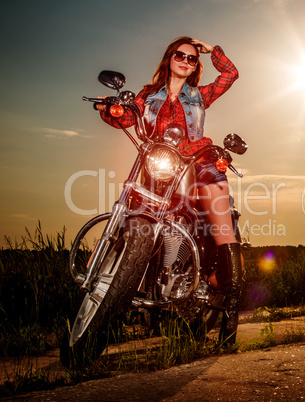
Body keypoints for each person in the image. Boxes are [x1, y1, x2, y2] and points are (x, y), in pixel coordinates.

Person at [97, 36, 242, 345]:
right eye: (181, 55)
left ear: (195, 66)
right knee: (128, 211)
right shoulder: (148, 95)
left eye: (192, 59)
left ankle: (231, 312)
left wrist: (211, 50)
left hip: (197, 162)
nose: (186, 61)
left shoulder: (200, 96)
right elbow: (124, 116)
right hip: (157, 164)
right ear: (169, 57)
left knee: (222, 228)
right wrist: (110, 109)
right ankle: (110, 298)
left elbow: (230, 75)